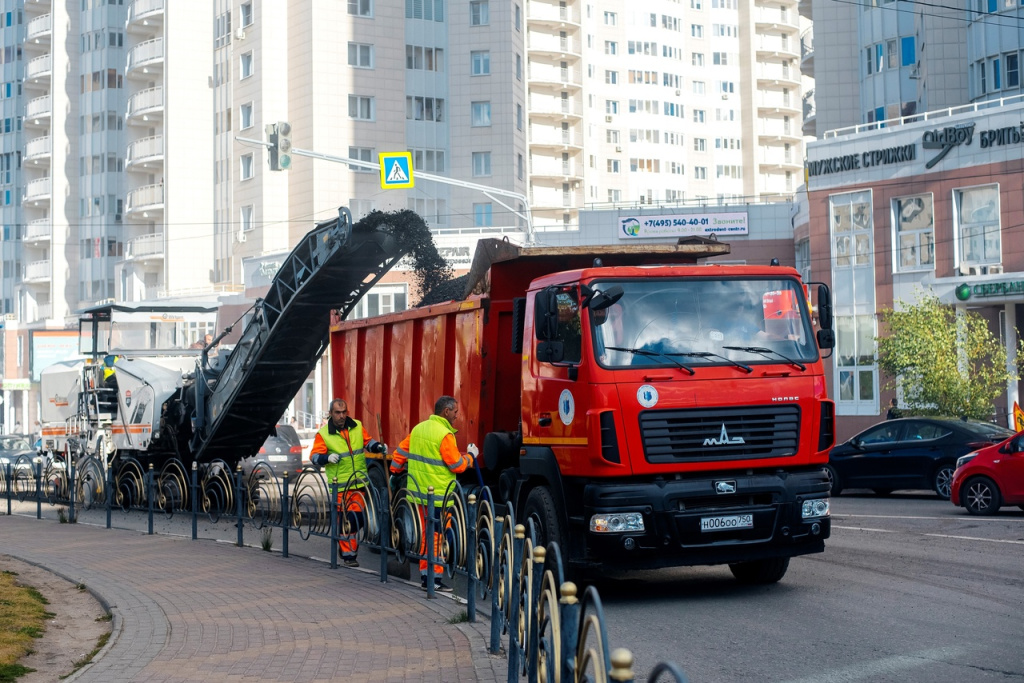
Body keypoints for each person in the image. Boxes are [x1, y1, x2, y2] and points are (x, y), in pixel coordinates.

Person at [390, 396, 477, 592]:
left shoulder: (418, 429)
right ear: (446, 412)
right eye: (455, 412)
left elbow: (399, 454)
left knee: (426, 536)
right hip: (438, 497)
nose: (457, 416)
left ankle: (425, 577)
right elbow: (456, 464)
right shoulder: (445, 434)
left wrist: (394, 474)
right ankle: (434, 580)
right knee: (437, 537)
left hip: (419, 496)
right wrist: (471, 457)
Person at [309, 398, 387, 567]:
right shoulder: (324, 434)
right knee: (346, 520)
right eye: (338, 413)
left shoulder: (357, 426)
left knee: (356, 519)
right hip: (340, 486)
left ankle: (346, 548)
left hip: (359, 483)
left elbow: (368, 442)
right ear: (331, 414)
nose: (341, 416)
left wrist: (378, 447)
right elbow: (314, 457)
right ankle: (348, 555)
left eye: (344, 412)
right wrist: (326, 457)